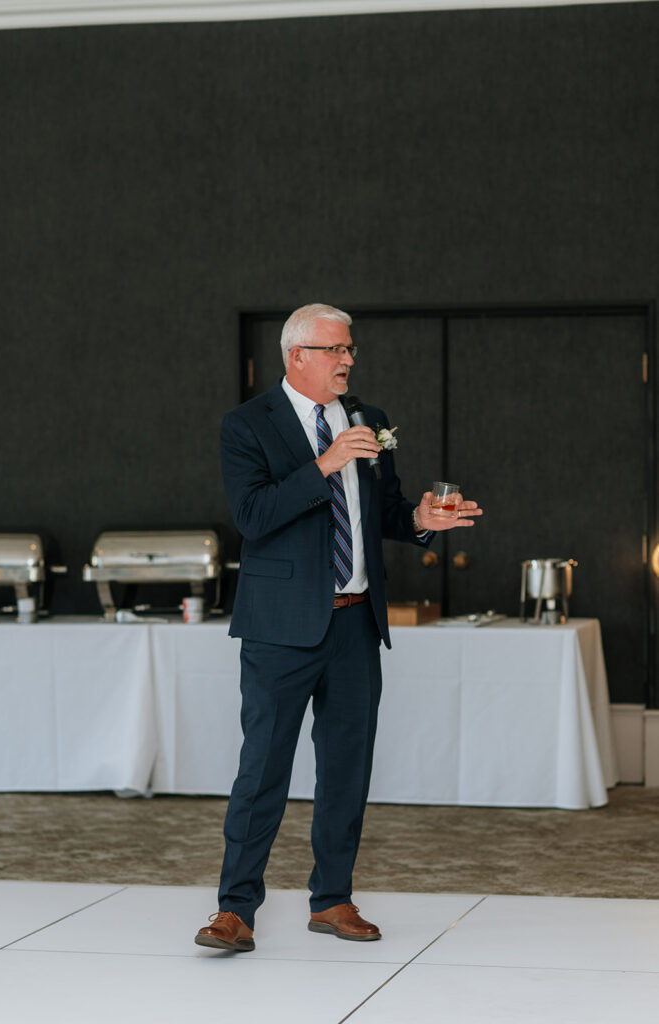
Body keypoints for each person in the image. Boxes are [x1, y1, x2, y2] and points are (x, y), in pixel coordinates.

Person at [195, 303, 482, 952]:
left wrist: (421, 522)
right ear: (297, 355)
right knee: (262, 770)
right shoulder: (247, 425)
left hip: (354, 628)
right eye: (335, 350)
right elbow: (254, 515)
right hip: (280, 632)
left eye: (349, 349)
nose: (348, 359)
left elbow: (381, 512)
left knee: (347, 770)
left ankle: (332, 899)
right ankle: (235, 910)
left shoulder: (369, 422)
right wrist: (323, 465)